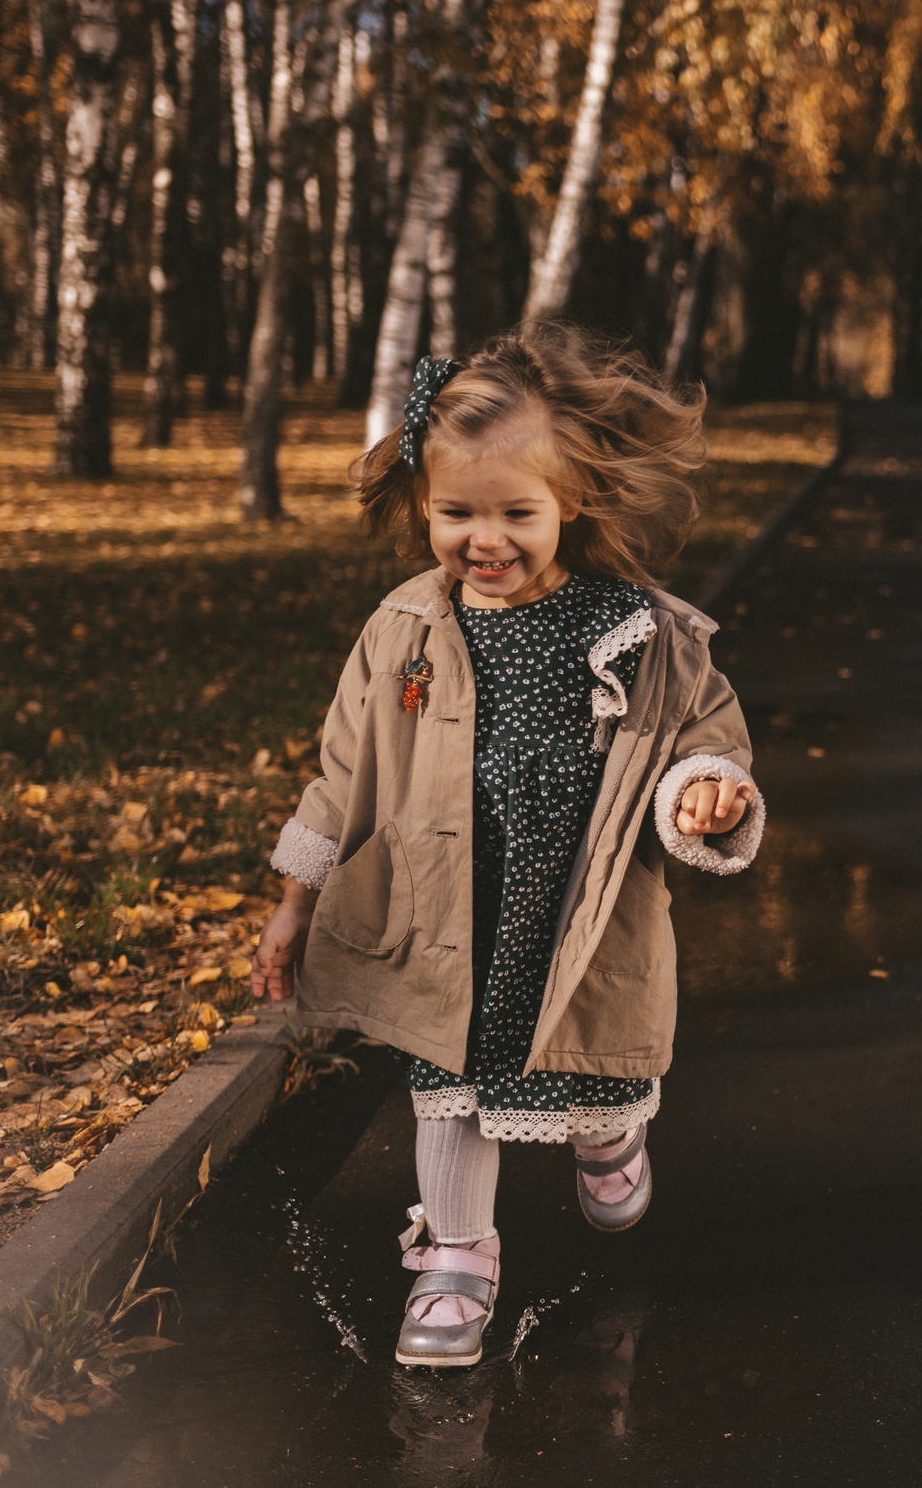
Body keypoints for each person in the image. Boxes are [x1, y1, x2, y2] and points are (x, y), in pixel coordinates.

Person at [249, 324, 765, 1368]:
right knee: (451, 1086)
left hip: (576, 914)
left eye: (516, 513)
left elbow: (700, 736)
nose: (486, 538)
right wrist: (295, 900)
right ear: (423, 506)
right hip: (450, 913)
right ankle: (455, 1258)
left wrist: (706, 790)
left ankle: (609, 1134)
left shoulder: (640, 634)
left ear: (571, 502)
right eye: (457, 513)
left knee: (592, 1070)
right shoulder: (402, 631)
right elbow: (345, 773)